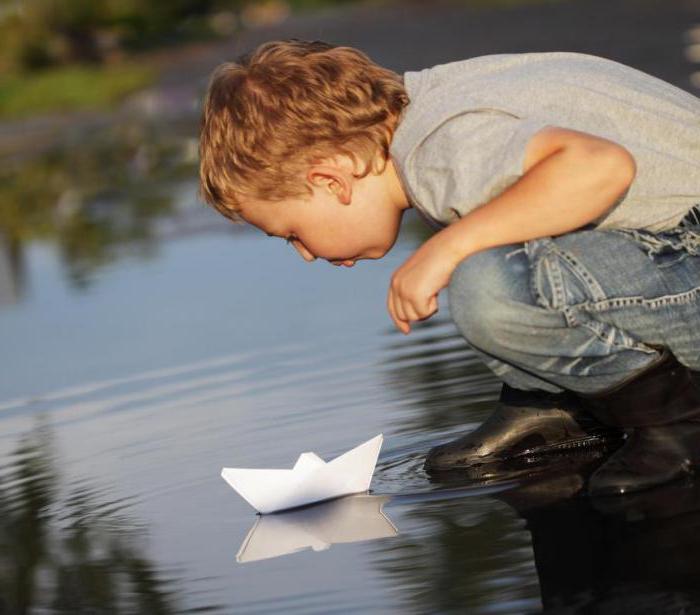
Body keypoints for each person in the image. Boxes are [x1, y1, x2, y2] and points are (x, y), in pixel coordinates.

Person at [198, 39, 700, 496]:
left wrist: (446, 248)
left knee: (487, 283)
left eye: (292, 233)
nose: (305, 253)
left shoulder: (441, 148)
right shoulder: (442, 102)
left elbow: (600, 166)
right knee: (498, 250)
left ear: (332, 180)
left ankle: (677, 424)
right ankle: (553, 402)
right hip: (672, 250)